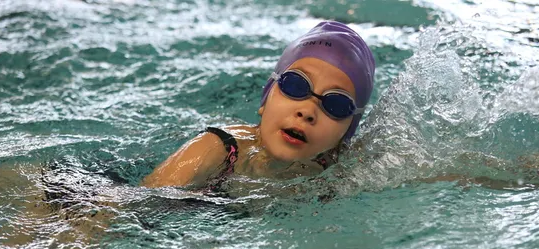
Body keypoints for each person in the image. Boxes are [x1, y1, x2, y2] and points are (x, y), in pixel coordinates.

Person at [142, 21, 376, 190]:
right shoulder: (219, 149)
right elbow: (131, 204)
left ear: (347, 131)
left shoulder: (343, 169)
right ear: (266, 97)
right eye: (295, 85)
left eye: (336, 104)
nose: (307, 112)